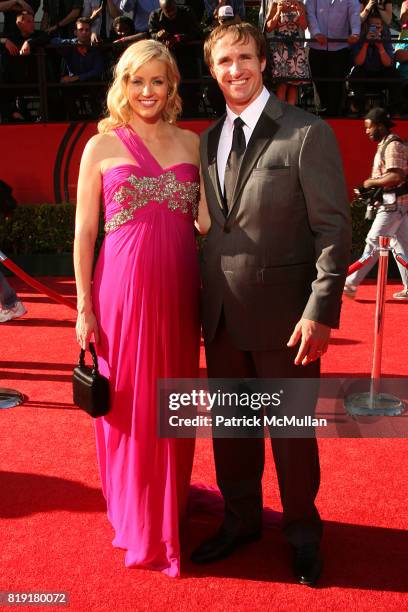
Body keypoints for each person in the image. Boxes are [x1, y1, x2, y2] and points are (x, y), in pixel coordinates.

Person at [190, 22, 351, 586]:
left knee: (290, 437)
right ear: (212, 71)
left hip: (288, 320)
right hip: (223, 317)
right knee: (231, 435)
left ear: (263, 61)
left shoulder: (307, 133)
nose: (234, 70)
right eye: (223, 62)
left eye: (243, 58)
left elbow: (333, 229)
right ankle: (240, 523)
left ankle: (304, 534)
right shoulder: (207, 140)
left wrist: (321, 309)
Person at [74, 39, 201, 576]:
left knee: (171, 395)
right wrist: (83, 306)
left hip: (178, 289)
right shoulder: (100, 147)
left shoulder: (193, 145)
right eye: (137, 81)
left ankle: (169, 499)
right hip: (120, 293)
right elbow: (83, 232)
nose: (147, 91)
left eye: (158, 81)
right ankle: (136, 512)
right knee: (128, 400)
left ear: (172, 87)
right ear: (122, 85)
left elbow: (210, 225)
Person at [344, 108, 408, 300]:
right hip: (397, 203)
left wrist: (370, 183)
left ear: (380, 125)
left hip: (393, 205)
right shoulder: (385, 144)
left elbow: (397, 175)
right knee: (402, 246)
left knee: (373, 242)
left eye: (369, 127)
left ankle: (350, 284)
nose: (366, 131)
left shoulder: (392, 145)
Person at [305, 0, 360, 116]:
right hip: (316, 47)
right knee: (318, 81)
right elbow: (310, 13)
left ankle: (335, 116)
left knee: (336, 84)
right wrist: (316, 33)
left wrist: (355, 32)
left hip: (340, 48)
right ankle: (320, 113)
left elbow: (354, 12)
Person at [348, 15, 401, 116]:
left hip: (380, 76)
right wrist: (366, 44)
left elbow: (388, 63)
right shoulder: (360, 39)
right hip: (364, 75)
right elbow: (358, 62)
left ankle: (395, 111)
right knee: (356, 72)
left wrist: (380, 47)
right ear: (367, 27)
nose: (376, 29)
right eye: (373, 27)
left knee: (393, 73)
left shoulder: (385, 39)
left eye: (378, 27)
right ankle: (360, 109)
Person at [265, 0, 309, 105]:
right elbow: (268, 27)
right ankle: (281, 113)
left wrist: (299, 11)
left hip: (296, 46)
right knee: (282, 83)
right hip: (281, 48)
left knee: (294, 83)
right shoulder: (276, 4)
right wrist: (278, 12)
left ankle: (291, 113)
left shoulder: (299, 4)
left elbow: (304, 26)